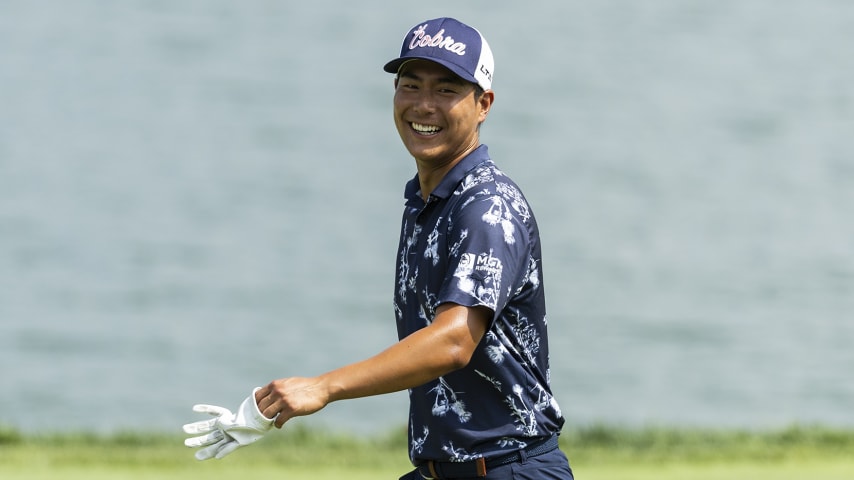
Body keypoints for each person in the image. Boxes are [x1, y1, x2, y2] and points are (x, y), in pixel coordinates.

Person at [183, 17, 574, 479]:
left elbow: (453, 341)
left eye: (446, 90)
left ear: (483, 104)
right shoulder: (426, 201)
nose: (423, 105)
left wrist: (324, 388)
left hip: (509, 470)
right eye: (410, 85)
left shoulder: (486, 206)